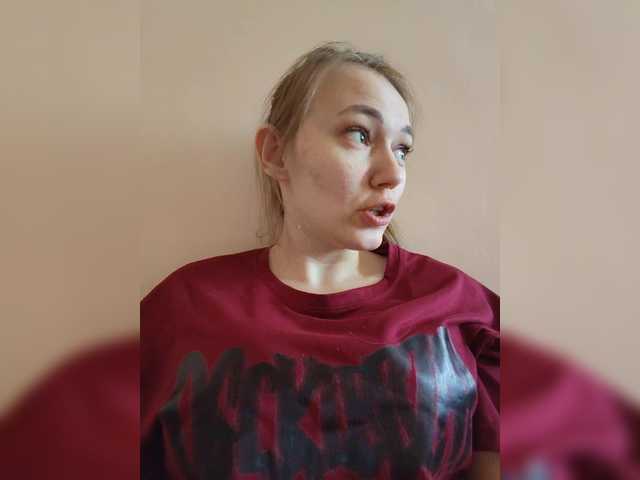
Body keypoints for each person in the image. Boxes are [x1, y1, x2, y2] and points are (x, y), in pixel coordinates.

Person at [141, 41, 500, 479]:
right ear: (275, 153)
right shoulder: (181, 310)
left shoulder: (462, 307)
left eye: (403, 149)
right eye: (360, 134)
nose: (393, 174)